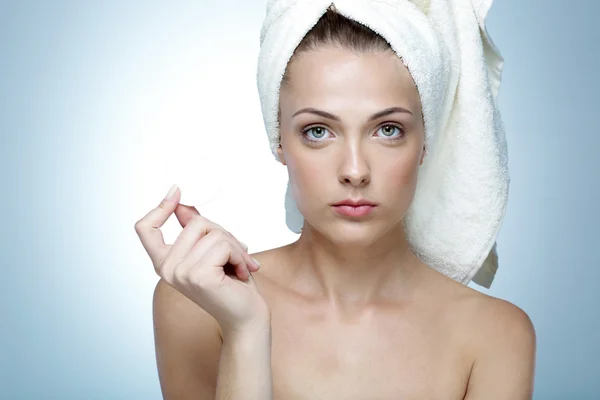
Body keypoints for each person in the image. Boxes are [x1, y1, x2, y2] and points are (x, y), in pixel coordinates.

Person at [134, 6, 536, 400]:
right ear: (279, 141)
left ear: (425, 143)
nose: (355, 170)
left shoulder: (495, 334)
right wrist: (247, 331)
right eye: (318, 131)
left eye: (388, 129)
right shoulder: (198, 304)